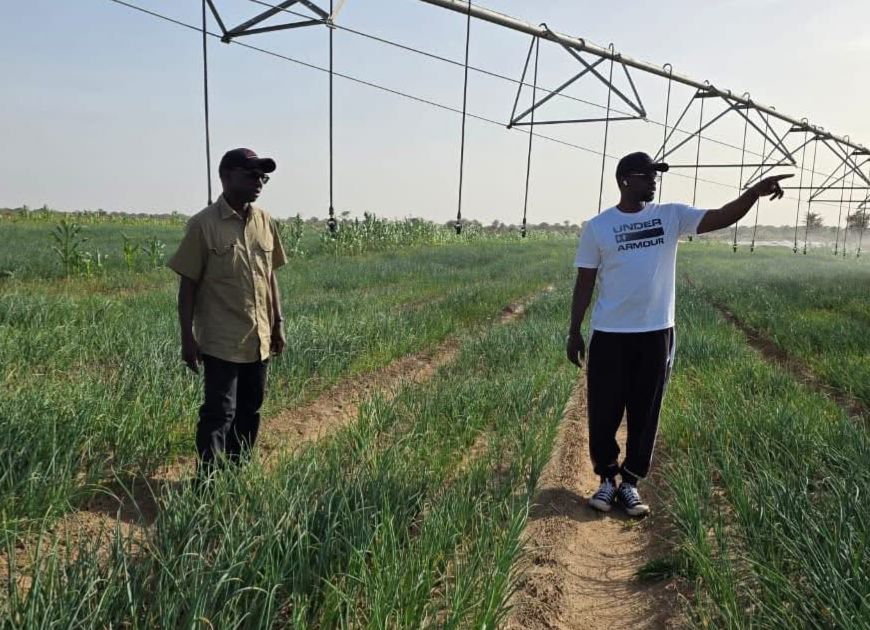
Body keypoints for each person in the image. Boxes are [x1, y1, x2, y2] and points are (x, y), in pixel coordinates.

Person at [566, 151, 791, 516]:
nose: (654, 182)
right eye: (647, 176)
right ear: (625, 180)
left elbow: (721, 216)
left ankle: (630, 483)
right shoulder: (598, 227)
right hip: (609, 333)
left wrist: (753, 193)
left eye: (655, 176)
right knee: (604, 410)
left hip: (655, 333)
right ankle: (606, 479)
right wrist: (574, 331)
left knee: (646, 411)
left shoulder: (670, 216)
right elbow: (584, 282)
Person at [168, 148, 288, 476]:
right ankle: (208, 482)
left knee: (250, 410)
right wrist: (187, 338)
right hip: (221, 340)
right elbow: (187, 287)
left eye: (262, 177)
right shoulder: (203, 225)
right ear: (226, 176)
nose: (258, 182)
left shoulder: (265, 222)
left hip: (259, 337)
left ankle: (236, 474)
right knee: (219, 414)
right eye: (251, 175)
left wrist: (277, 323)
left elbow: (270, 276)